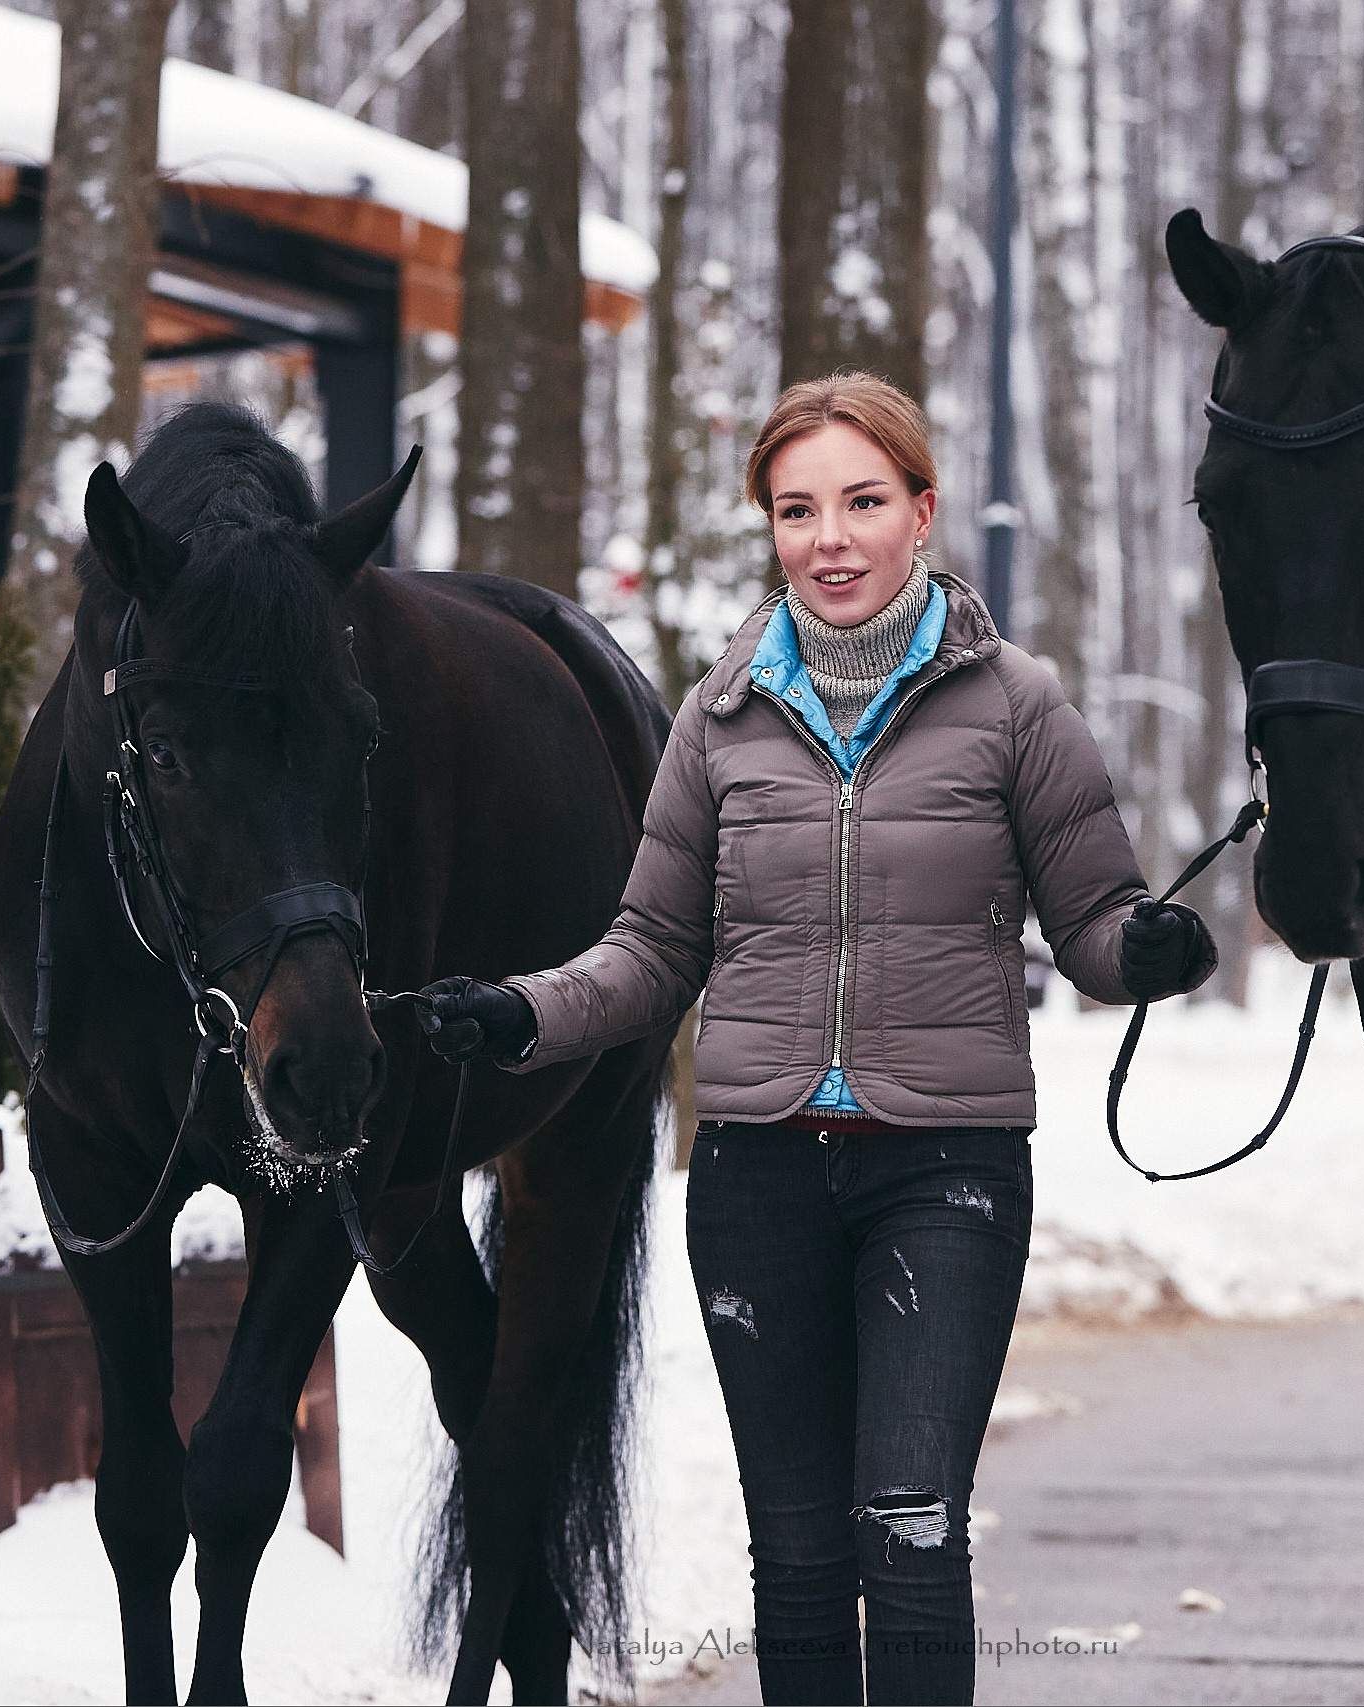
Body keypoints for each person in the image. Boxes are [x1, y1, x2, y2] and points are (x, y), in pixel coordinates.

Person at [416, 371, 1215, 1706]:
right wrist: (520, 1013)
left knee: (910, 1528)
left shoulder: (1018, 707)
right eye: (798, 511)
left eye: (861, 503)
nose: (830, 540)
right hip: (758, 1182)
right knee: (793, 1558)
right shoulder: (721, 718)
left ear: (922, 513)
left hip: (945, 1175)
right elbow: (652, 949)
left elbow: (1092, 920)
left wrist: (1146, 951)